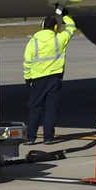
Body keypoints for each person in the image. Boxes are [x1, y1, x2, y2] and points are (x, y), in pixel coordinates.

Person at [23, 9, 77, 144]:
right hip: (54, 78)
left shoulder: (33, 42)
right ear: (55, 27)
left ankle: (30, 137)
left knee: (35, 108)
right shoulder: (59, 38)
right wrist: (65, 15)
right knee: (50, 109)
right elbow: (71, 27)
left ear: (42, 26)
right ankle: (48, 137)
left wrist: (27, 77)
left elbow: (27, 61)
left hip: (37, 79)